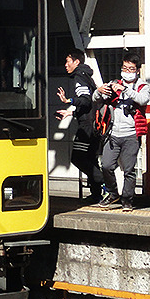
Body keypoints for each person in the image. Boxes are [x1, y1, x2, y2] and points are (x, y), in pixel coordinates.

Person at [93, 52, 150, 212]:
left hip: (131, 135)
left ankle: (127, 199)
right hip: (112, 135)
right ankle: (112, 193)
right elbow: (96, 99)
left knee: (129, 169)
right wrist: (99, 91)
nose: (127, 71)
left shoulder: (142, 86)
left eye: (131, 69)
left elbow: (142, 99)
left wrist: (124, 90)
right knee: (106, 165)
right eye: (125, 68)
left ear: (137, 70)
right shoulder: (114, 83)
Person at [55, 50, 104, 202]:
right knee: (91, 158)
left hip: (87, 127)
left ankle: (106, 183)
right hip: (93, 123)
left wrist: (68, 100)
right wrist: (70, 113)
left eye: (68, 61)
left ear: (76, 62)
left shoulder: (79, 77)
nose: (65, 65)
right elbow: (88, 106)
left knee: (78, 158)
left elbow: (85, 100)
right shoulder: (87, 76)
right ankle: (97, 194)